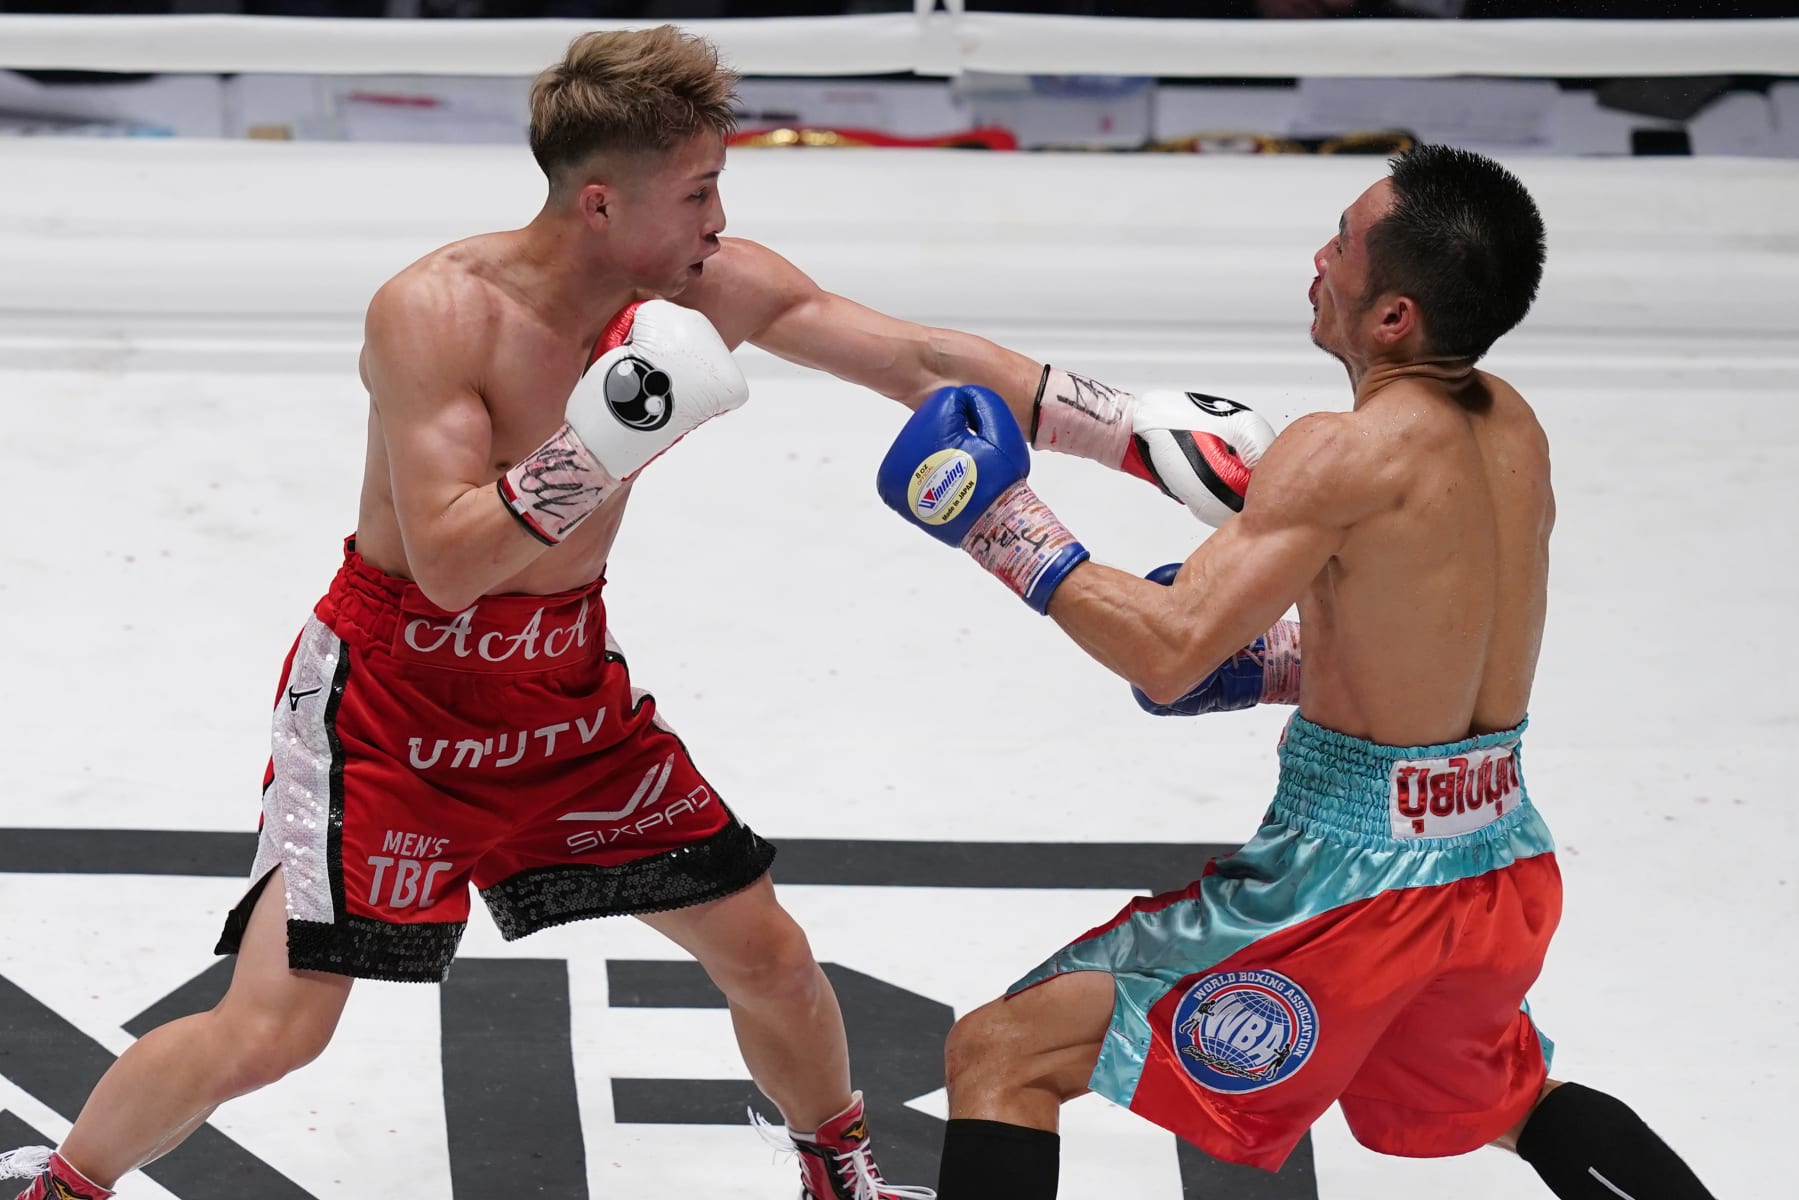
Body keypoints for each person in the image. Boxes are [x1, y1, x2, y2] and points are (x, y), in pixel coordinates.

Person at [0, 24, 1275, 1200]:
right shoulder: (434, 312)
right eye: (700, 190)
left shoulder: (702, 282)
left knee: (766, 951)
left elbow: (919, 358)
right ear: (601, 201)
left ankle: (840, 1174)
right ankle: (64, 1189)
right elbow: (446, 563)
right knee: (274, 1028)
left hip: (562, 698)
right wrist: (601, 442)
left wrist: (1124, 426)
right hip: (393, 705)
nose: (722, 218)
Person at [876, 144, 1718, 1200]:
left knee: (1002, 1053)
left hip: (1352, 890)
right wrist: (1277, 664)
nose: (1319, 257)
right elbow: (1433, 640)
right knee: (1516, 1098)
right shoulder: (1514, 428)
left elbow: (1168, 652)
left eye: (1345, 243)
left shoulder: (1342, 451)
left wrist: (1001, 525)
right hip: (1498, 863)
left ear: (1395, 316)